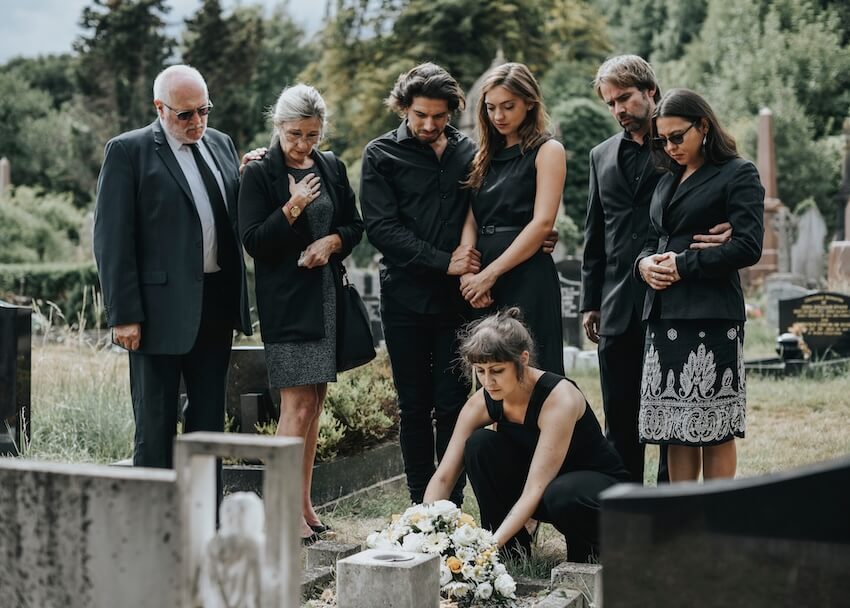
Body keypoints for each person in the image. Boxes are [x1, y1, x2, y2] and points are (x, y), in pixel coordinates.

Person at [581, 55, 732, 484]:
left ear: (650, 91)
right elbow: (597, 233)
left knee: (671, 422)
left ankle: (669, 513)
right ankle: (631, 519)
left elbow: (713, 190)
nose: (618, 110)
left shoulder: (680, 145)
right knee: (621, 423)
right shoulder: (599, 155)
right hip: (616, 304)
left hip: (672, 300)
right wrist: (591, 302)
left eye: (625, 98)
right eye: (610, 103)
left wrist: (734, 227)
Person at [93, 65, 252, 469]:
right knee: (155, 423)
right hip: (155, 312)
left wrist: (253, 174)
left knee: (209, 423)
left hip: (214, 305)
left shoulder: (221, 143)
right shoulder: (128, 151)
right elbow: (112, 239)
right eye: (185, 114)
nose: (197, 121)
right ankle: (156, 524)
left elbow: (229, 214)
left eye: (204, 110)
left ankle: (205, 520)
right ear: (159, 108)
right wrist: (124, 314)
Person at [238, 84, 364, 544]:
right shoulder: (258, 173)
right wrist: (294, 206)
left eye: (312, 135)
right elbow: (253, 241)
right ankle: (280, 509)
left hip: (326, 298)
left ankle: (305, 505)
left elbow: (354, 225)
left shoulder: (331, 166)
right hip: (287, 304)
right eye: (294, 134)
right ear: (278, 127)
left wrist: (332, 243)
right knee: (298, 405)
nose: (303, 144)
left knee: (315, 405)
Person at [359, 63, 478, 507]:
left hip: (458, 301)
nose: (429, 125)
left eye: (439, 116)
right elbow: (382, 228)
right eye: (420, 116)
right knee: (413, 405)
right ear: (403, 108)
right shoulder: (379, 155)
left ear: (452, 111)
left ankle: (451, 503)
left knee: (454, 403)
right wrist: (443, 262)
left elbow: (485, 210)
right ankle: (418, 505)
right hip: (404, 298)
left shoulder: (469, 151)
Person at [423, 308, 630, 562]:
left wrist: (484, 550)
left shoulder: (559, 398)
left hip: (593, 494)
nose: (488, 381)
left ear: (522, 359)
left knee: (562, 493)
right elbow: (444, 476)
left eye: (497, 370)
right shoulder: (481, 402)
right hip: (546, 490)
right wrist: (421, 532)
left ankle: (591, 555)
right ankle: (511, 554)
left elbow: (536, 488)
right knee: (479, 445)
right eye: (480, 371)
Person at [636, 88, 764, 482]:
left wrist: (684, 265)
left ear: (704, 126)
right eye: (663, 139)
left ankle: (717, 522)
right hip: (663, 312)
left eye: (678, 137)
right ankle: (683, 521)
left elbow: (748, 245)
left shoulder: (737, 173)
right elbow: (650, 238)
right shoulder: (666, 179)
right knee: (674, 428)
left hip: (709, 313)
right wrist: (644, 265)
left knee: (714, 427)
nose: (670, 147)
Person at [459, 62, 567, 375]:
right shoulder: (481, 156)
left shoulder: (548, 150)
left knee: (533, 368)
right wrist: (470, 274)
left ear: (529, 103)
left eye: (508, 107)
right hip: (482, 274)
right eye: (491, 108)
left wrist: (489, 275)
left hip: (526, 272)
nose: (499, 116)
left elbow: (543, 223)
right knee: (490, 370)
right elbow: (470, 217)